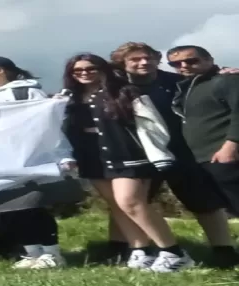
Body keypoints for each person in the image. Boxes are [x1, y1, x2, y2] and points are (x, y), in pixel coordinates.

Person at [99, 42, 239, 268]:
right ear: (122, 63)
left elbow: (209, 79)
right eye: (135, 59)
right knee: (129, 204)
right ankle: (126, 250)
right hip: (139, 156)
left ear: (157, 59)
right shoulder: (113, 87)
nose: (144, 62)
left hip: (182, 152)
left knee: (204, 203)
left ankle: (224, 251)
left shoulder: (177, 82)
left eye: (148, 57)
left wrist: (224, 70)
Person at [61, 53, 194, 272]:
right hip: (91, 157)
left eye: (90, 68)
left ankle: (174, 252)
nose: (84, 73)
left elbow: (152, 123)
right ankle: (140, 250)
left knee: (131, 202)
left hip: (129, 155)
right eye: (78, 71)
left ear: (103, 69)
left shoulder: (124, 91)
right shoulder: (69, 98)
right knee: (116, 206)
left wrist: (158, 152)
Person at [0, 56, 68, 269]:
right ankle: (31, 252)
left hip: (30, 158)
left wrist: (62, 154)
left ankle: (51, 252)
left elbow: (48, 126)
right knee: (11, 207)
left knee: (34, 205)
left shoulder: (27, 92)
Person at [167, 45, 239, 226]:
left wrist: (231, 145)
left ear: (209, 60)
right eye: (175, 63)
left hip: (226, 155)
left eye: (191, 60)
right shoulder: (187, 86)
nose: (183, 65)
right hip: (205, 159)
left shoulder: (228, 80)